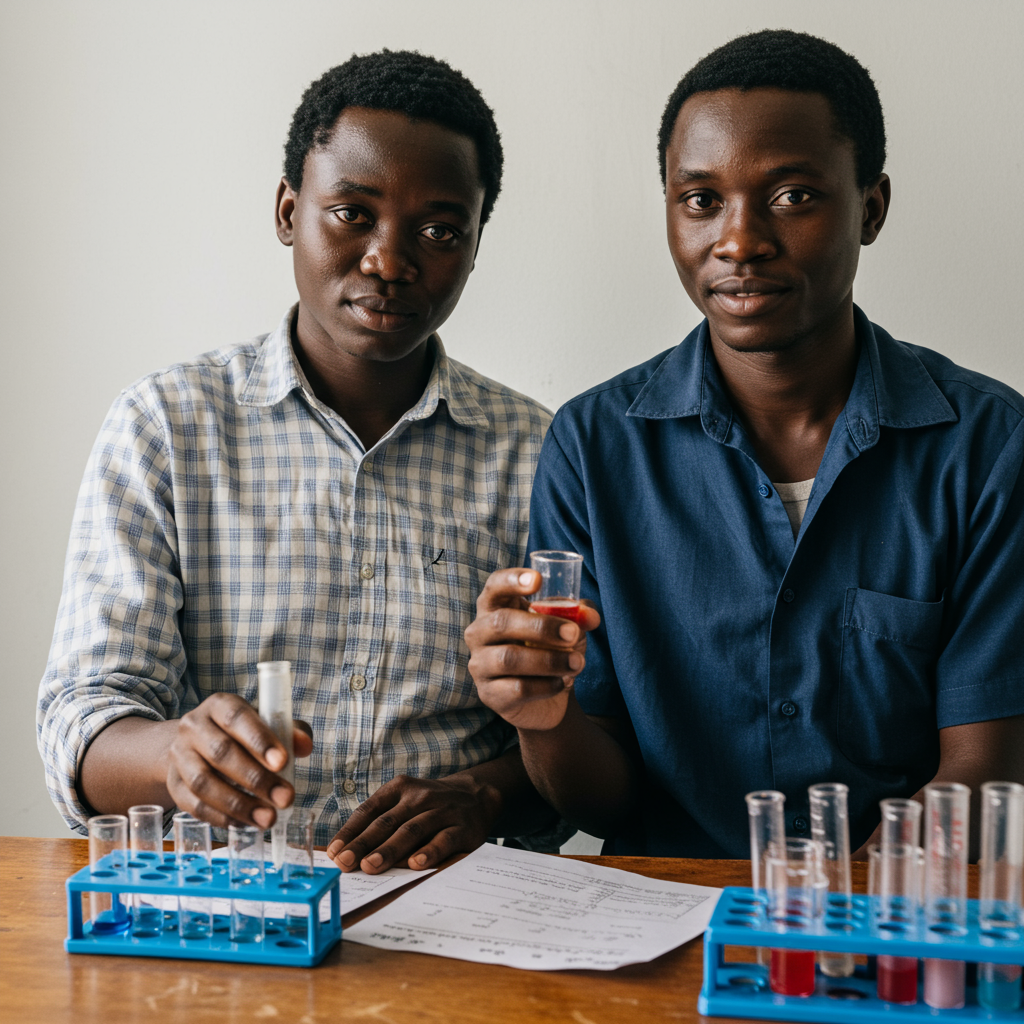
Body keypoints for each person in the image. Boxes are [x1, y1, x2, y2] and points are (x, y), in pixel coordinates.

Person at [466, 30, 1024, 859]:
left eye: (794, 196)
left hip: (888, 930)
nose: (738, 241)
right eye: (700, 200)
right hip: (662, 929)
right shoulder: (593, 445)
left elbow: (981, 769)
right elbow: (605, 800)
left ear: (870, 207)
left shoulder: (986, 444)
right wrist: (541, 720)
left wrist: (829, 927)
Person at [37, 50, 566, 873]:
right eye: (352, 212)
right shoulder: (167, 427)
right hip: (220, 910)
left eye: (439, 231)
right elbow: (83, 719)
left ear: (473, 246)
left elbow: (579, 738)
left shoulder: (537, 453)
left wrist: (488, 793)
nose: (390, 261)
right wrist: (175, 754)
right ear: (288, 211)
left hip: (450, 916)